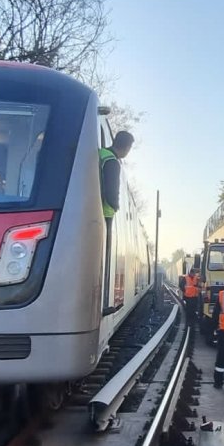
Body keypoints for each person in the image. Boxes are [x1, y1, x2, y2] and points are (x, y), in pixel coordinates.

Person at [98, 131, 133, 313]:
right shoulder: (112, 161)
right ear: (126, 148)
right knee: (104, 258)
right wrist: (116, 205)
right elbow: (111, 190)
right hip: (106, 213)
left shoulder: (101, 154)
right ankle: (103, 304)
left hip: (97, 210)